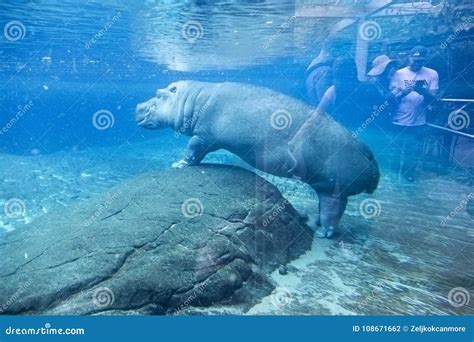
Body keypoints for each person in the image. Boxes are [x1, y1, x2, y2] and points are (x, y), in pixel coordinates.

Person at [390, 46, 439, 182]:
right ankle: (392, 176)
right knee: (396, 149)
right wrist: (404, 92)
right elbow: (391, 98)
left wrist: (422, 90)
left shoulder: (432, 74)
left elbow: (434, 99)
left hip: (419, 120)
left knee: (413, 151)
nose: (416, 63)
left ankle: (408, 175)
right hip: (398, 119)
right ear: (409, 57)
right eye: (414, 60)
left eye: (420, 61)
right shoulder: (398, 74)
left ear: (425, 60)